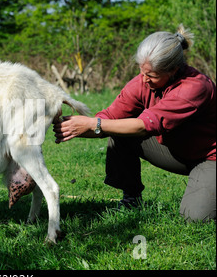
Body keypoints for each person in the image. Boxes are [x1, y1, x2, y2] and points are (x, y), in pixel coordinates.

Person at [53, 24, 216, 222]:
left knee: (195, 219)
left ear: (173, 70)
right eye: (142, 72)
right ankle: (131, 199)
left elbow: (143, 126)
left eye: (152, 76)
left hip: (209, 158)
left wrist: (91, 124)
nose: (144, 79)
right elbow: (108, 119)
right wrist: (69, 125)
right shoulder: (142, 81)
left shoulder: (195, 87)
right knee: (119, 131)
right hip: (177, 151)